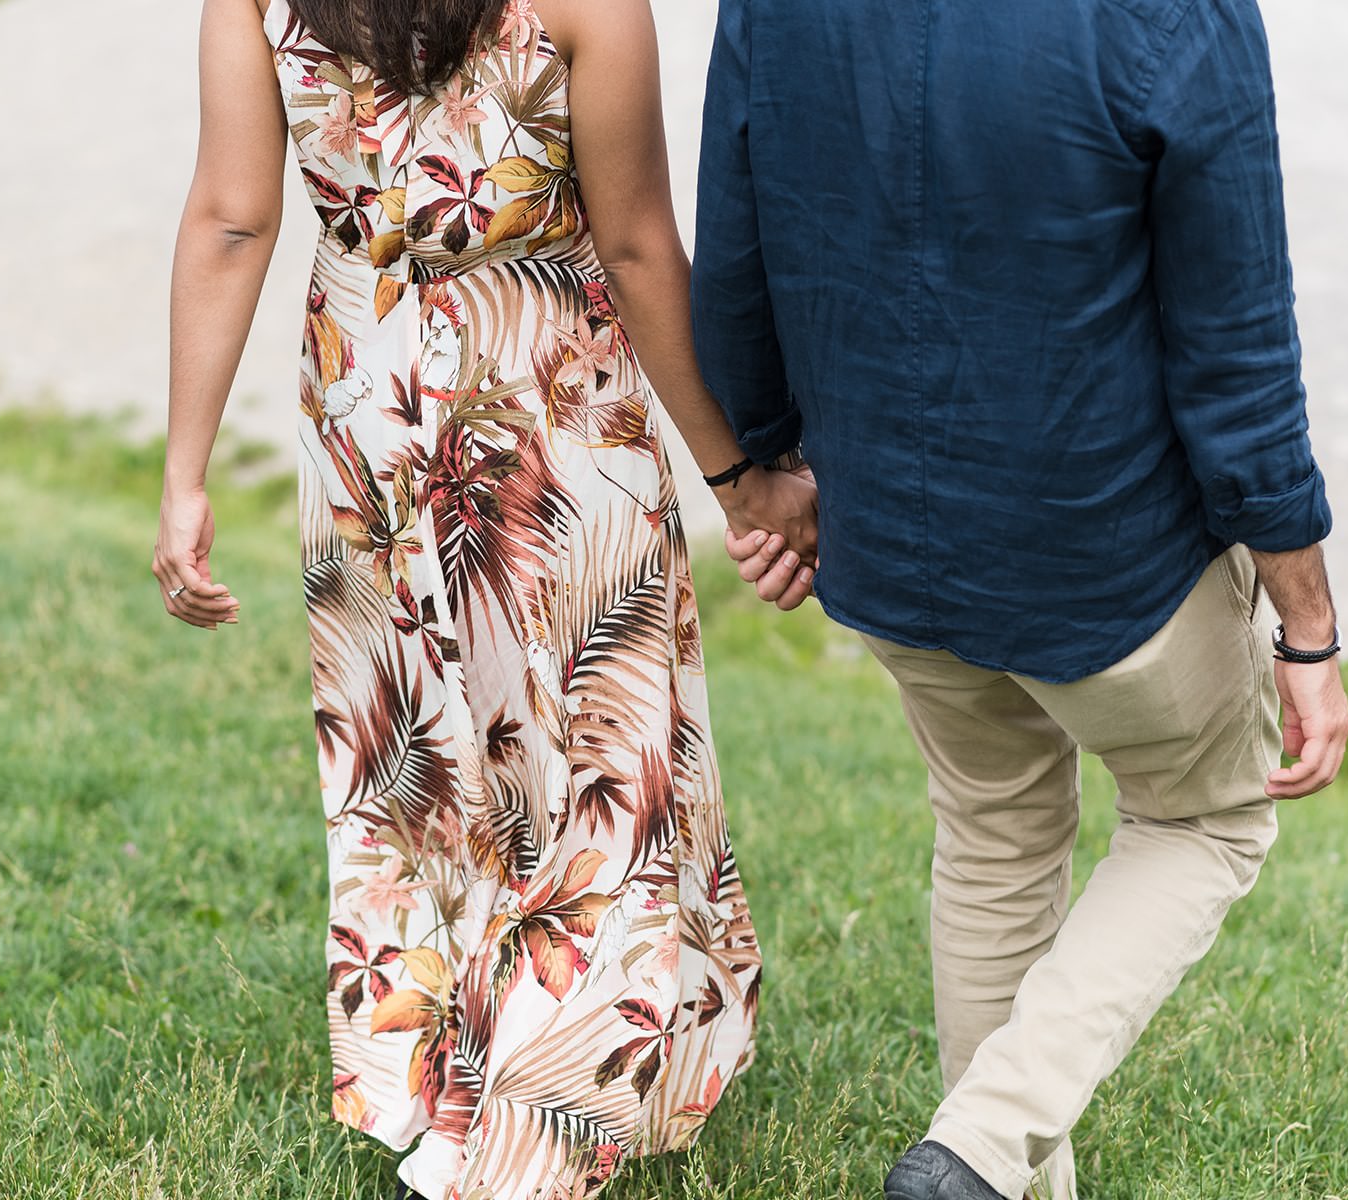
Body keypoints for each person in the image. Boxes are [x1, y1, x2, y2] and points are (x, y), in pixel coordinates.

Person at [152, 1, 816, 1196]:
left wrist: (185, 473)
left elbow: (232, 219)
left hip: (368, 398)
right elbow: (637, 248)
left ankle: (434, 1076)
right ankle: (532, 1123)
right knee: (600, 749)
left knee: (419, 748)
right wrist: (739, 474)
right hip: (548, 396)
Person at [693, 1, 1348, 1197]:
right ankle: (981, 1150)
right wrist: (1309, 623)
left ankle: (978, 1171)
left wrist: (764, 471)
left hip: (885, 536)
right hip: (1106, 561)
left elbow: (735, 252)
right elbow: (1237, 349)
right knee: (1204, 820)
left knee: (994, 834)